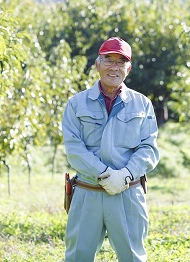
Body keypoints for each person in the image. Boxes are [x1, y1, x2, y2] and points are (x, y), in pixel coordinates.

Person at [62, 36, 160, 262]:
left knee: (132, 257)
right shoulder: (77, 104)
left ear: (129, 68)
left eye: (120, 62)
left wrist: (125, 175)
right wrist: (104, 175)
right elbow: (74, 149)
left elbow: (149, 147)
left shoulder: (142, 104)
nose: (114, 67)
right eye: (108, 60)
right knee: (78, 257)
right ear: (97, 64)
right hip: (88, 193)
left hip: (127, 193)